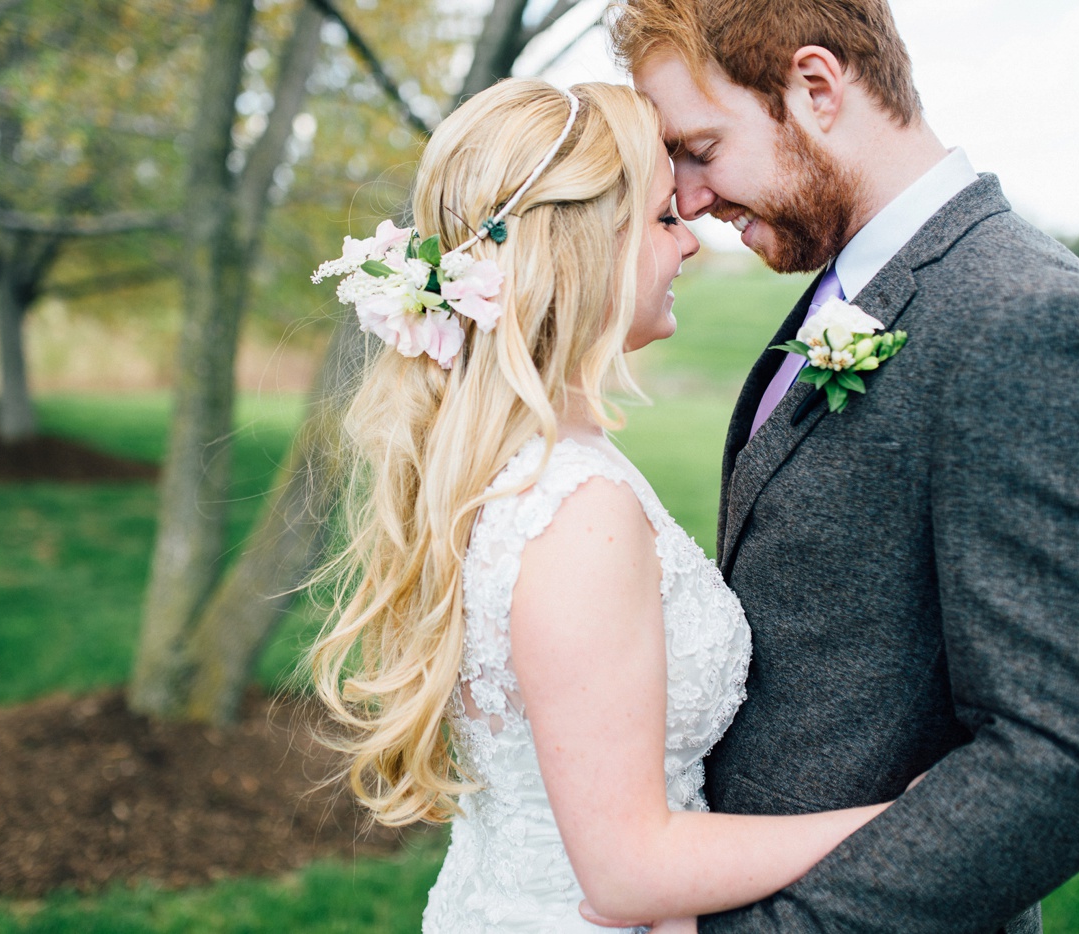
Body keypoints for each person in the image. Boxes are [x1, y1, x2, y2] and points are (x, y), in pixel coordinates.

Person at [604, 1, 1079, 932]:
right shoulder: (851, 285)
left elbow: (1071, 757)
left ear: (818, 88)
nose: (689, 197)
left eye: (700, 147)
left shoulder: (1028, 321)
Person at [309, 79, 913, 932]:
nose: (691, 245)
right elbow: (630, 871)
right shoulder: (575, 508)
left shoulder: (520, 465)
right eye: (666, 220)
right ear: (580, 245)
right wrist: (897, 826)